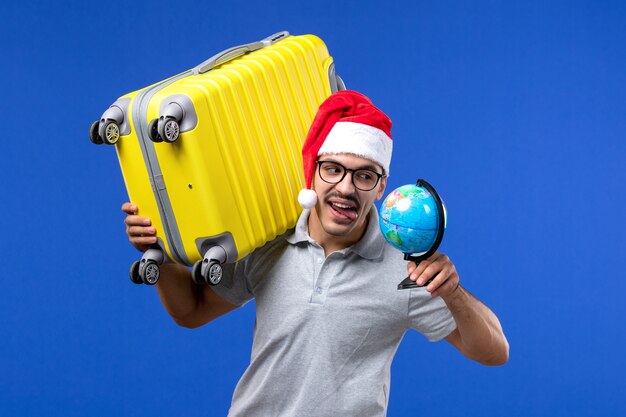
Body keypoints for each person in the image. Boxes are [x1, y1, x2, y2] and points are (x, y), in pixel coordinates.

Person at [122, 90, 508, 416]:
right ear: (314, 172)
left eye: (364, 175)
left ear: (380, 186)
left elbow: (494, 352)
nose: (346, 187)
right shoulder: (270, 240)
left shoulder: (406, 271)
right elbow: (192, 311)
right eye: (333, 169)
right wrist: (160, 249)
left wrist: (453, 293)